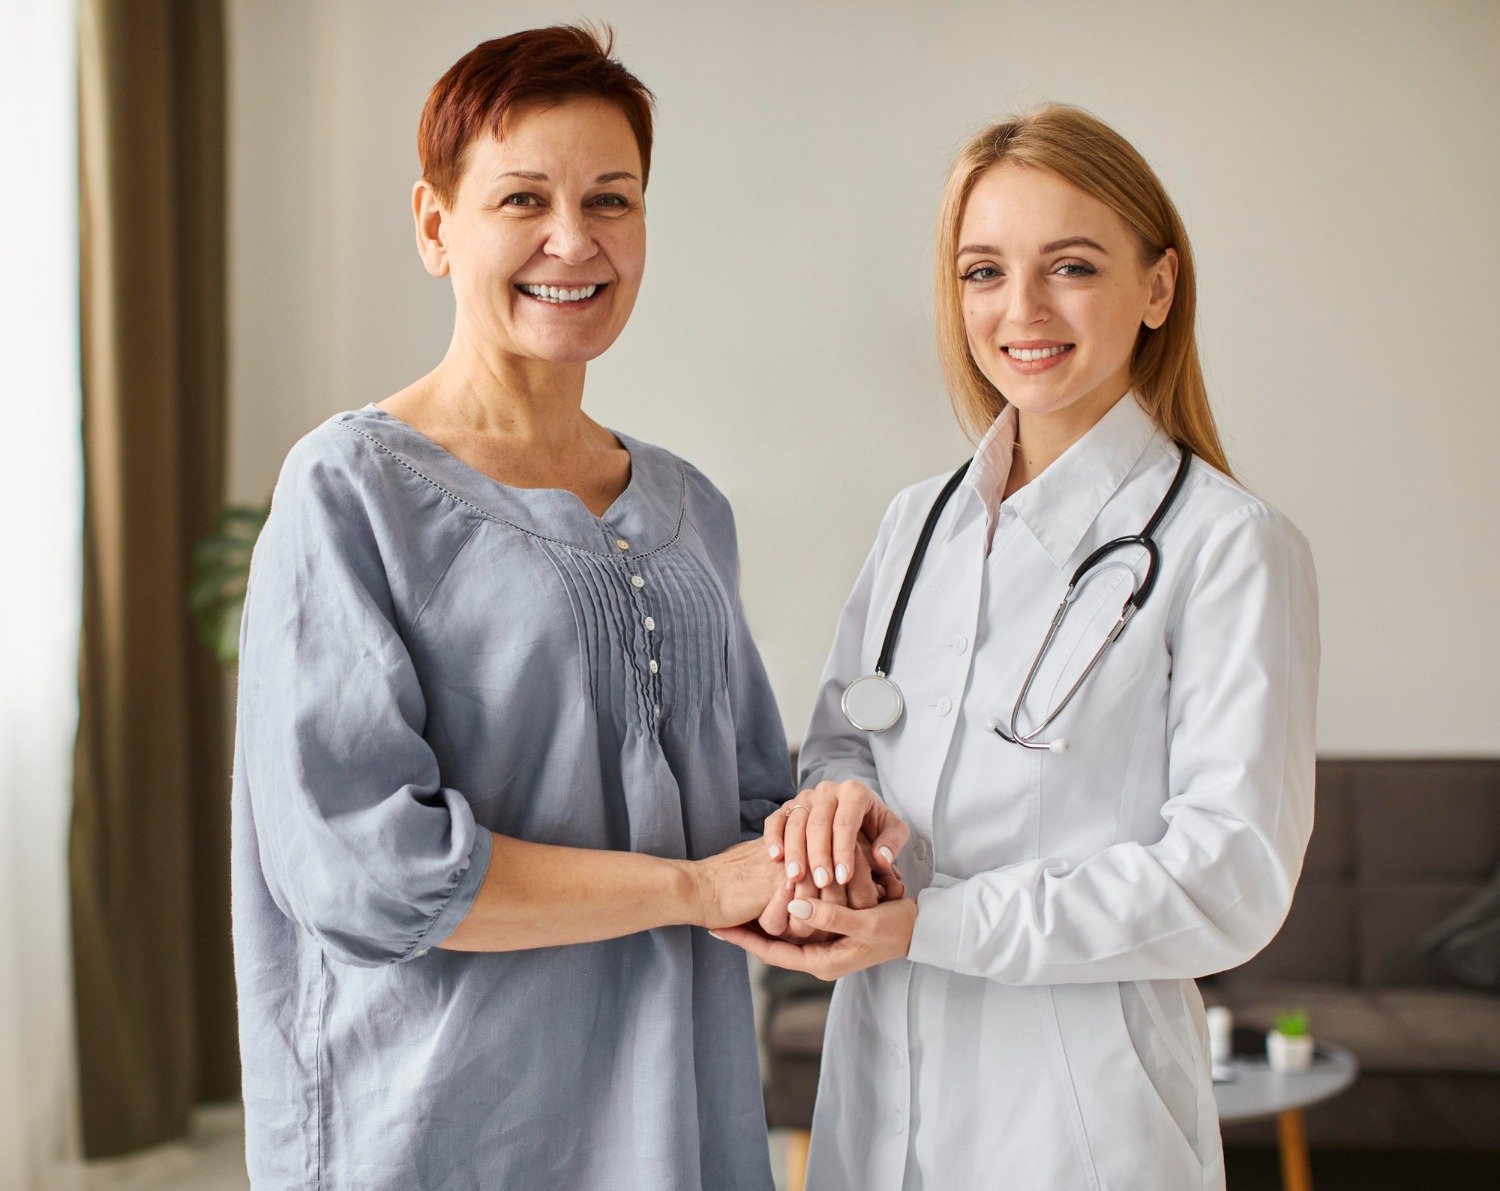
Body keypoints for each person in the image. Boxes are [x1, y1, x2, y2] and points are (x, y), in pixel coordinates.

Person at [231, 26, 895, 1189]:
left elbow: (749, 811)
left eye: (612, 200)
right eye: (522, 198)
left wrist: (834, 852)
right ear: (436, 227)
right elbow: (366, 868)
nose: (573, 240)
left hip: (671, 1126)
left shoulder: (689, 510)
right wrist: (695, 889)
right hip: (437, 1129)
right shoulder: (352, 489)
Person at [718, 104, 1320, 1190]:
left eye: (1071, 266)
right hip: (877, 1100)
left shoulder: (1229, 545)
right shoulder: (918, 524)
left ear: (1159, 288)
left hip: (1080, 1126)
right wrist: (840, 813)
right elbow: (845, 744)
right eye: (983, 271)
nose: (1021, 310)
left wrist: (932, 926)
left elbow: (1230, 880)